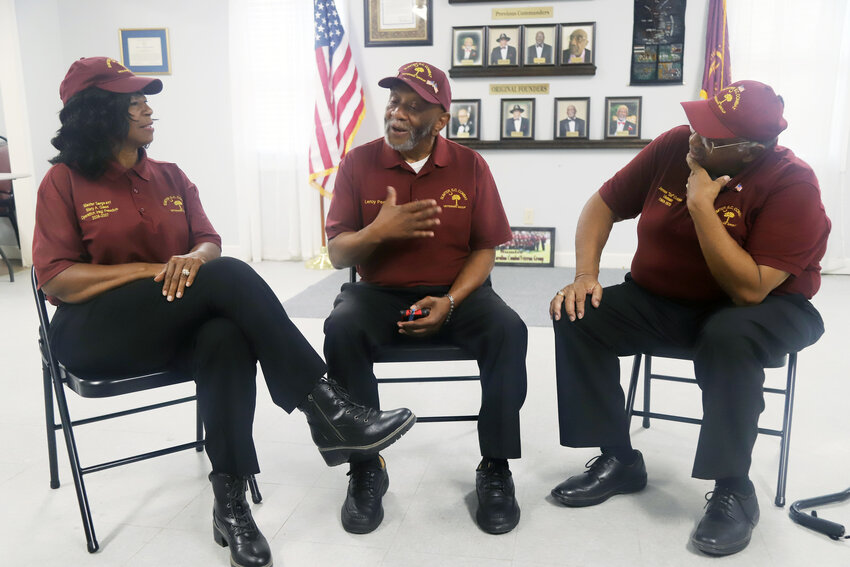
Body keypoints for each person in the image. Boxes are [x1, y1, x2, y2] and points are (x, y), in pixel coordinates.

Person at [32, 56, 416, 567]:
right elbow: (56, 277)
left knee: (225, 337)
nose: (149, 109)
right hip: (94, 334)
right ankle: (327, 409)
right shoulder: (62, 182)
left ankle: (230, 500)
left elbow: (207, 242)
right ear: (97, 113)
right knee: (229, 275)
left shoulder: (169, 176)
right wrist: (153, 270)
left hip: (170, 327)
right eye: (134, 102)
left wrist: (191, 261)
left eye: (146, 99)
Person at [548, 80, 829, 556]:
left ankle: (734, 488)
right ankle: (618, 457)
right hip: (663, 299)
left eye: (712, 137)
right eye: (699, 123)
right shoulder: (678, 144)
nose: (695, 138)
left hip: (763, 309)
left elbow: (748, 289)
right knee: (577, 314)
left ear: (749, 152)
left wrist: (702, 206)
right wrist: (584, 275)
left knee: (728, 336)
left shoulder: (792, 184)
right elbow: (602, 205)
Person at [322, 61, 528, 536]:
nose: (398, 113)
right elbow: (337, 254)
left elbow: (484, 250)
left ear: (441, 120)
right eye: (394, 102)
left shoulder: (471, 165)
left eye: (414, 107)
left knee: (508, 329)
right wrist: (378, 231)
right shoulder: (358, 163)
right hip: (377, 293)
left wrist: (451, 301)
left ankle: (495, 467)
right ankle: (366, 466)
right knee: (341, 328)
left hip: (456, 292)